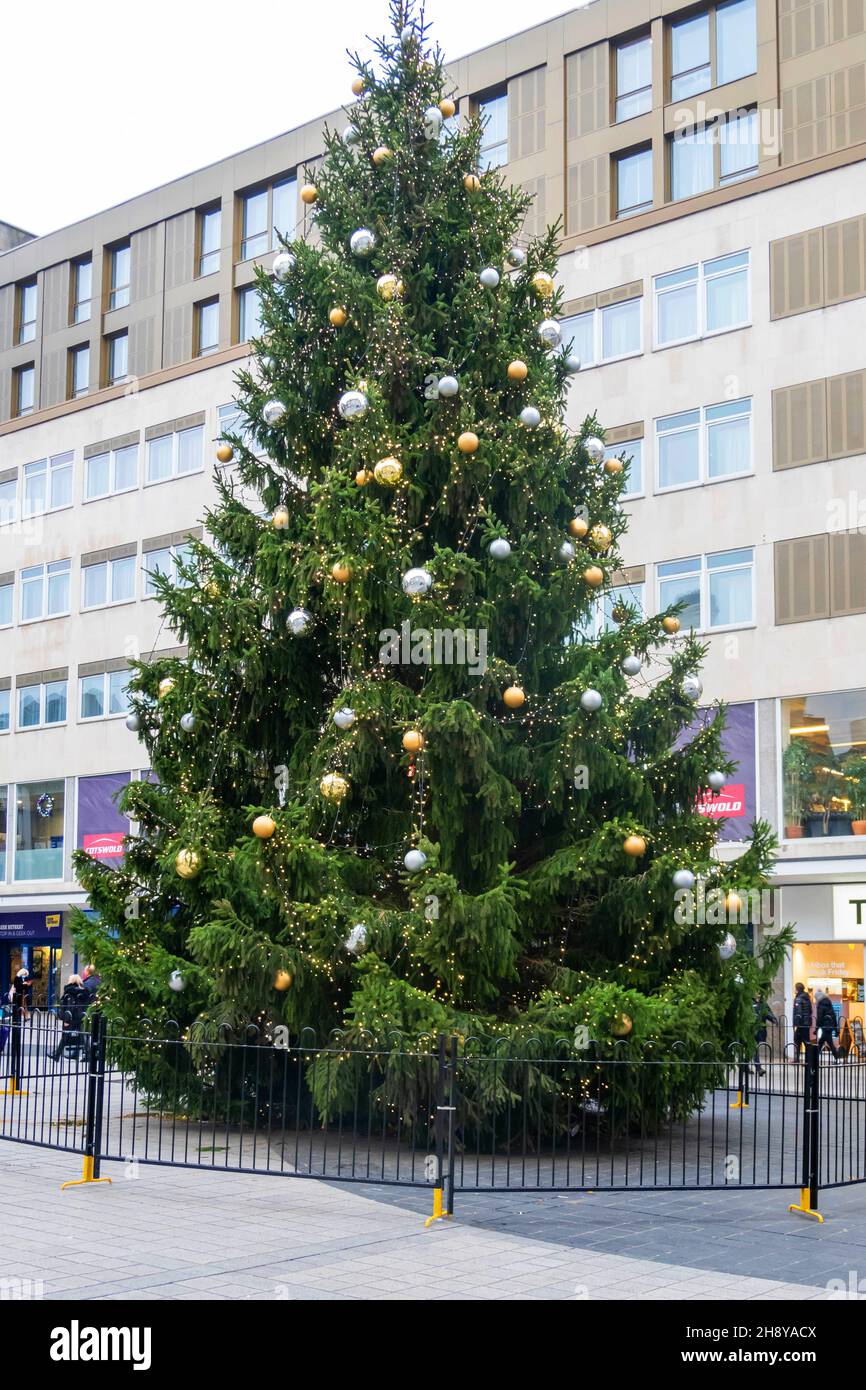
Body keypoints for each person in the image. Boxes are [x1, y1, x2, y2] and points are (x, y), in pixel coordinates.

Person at [52, 975, 89, 1063]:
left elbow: (69, 1006)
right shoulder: (83, 991)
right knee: (82, 1035)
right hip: (81, 1016)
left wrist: (67, 1020)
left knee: (65, 1036)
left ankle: (56, 1055)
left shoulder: (69, 991)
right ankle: (88, 1054)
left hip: (72, 1017)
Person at [7, 966, 32, 1090]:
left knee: (24, 1006)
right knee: (21, 1007)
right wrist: (24, 984)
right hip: (18, 997)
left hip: (22, 996)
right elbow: (18, 986)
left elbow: (26, 986)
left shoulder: (23, 978)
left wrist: (26, 984)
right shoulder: (17, 978)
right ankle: (22, 1016)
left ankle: (25, 1016)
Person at [753, 996, 777, 1076]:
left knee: (751, 1049)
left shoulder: (763, 1003)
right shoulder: (749, 1002)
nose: (757, 994)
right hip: (750, 1030)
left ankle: (745, 1067)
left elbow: (768, 1012)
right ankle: (759, 1068)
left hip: (760, 1030)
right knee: (753, 1049)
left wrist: (773, 1019)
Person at [815, 989, 840, 1061]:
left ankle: (837, 1059)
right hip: (829, 1027)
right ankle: (814, 1060)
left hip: (824, 1028)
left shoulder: (820, 1005)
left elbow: (819, 1018)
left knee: (828, 1044)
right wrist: (835, 1028)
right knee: (821, 1043)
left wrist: (816, 1029)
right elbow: (834, 1016)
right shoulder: (829, 1003)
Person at [792, 982, 812, 1060]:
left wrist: (796, 1025)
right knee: (806, 1042)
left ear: (797, 989)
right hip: (806, 1023)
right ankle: (808, 1060)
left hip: (800, 1024)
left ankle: (797, 1059)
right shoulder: (807, 998)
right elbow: (810, 1011)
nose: (794, 989)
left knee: (797, 1040)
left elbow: (798, 1013)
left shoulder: (798, 999)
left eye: (795, 988)